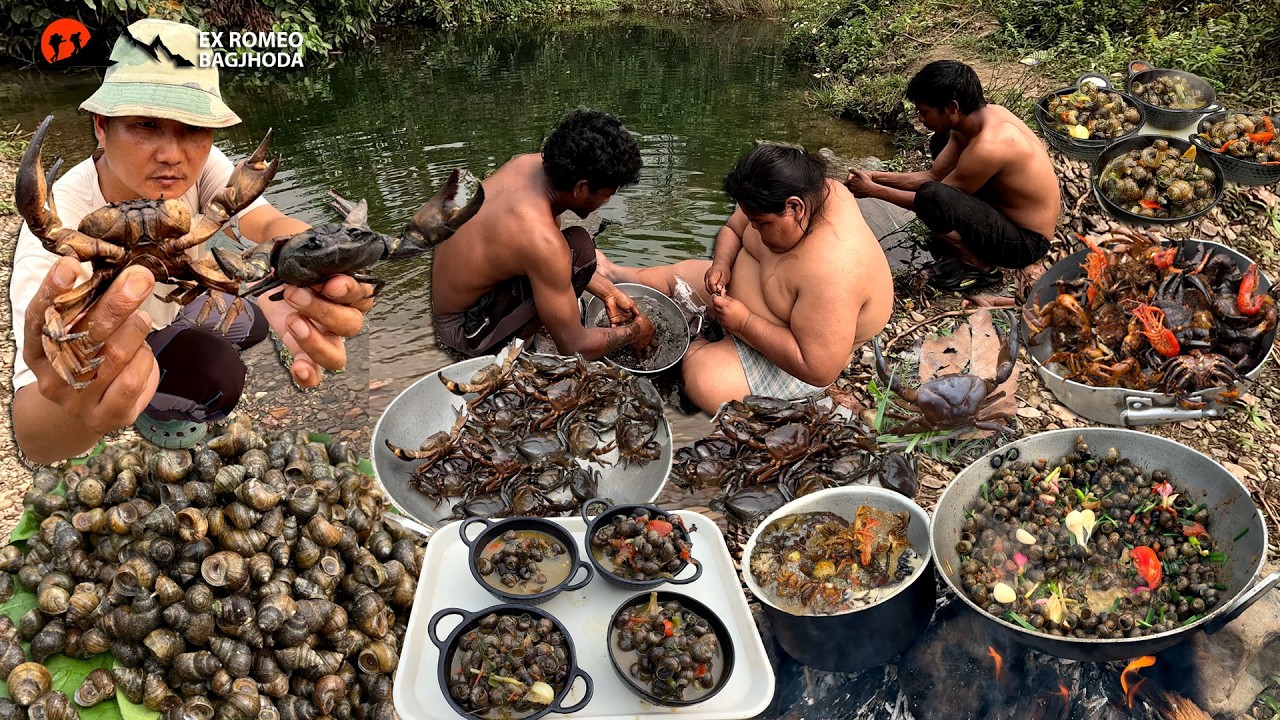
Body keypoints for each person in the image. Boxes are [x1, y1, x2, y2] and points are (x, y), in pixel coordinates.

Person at [10, 19, 374, 463]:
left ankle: (179, 351)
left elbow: (261, 220)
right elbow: (31, 432)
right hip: (119, 346)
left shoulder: (196, 164)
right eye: (146, 124)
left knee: (256, 321)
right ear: (101, 126)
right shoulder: (57, 226)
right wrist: (79, 412)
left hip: (179, 293)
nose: (172, 155)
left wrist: (318, 252)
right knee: (217, 374)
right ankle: (156, 409)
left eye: (193, 128)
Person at [595, 143, 894, 413]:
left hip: (787, 356)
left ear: (795, 207)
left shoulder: (835, 269)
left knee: (706, 382)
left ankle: (695, 343)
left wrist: (745, 323)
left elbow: (817, 368)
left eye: (762, 224)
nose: (756, 232)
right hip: (735, 299)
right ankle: (616, 273)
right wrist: (722, 264)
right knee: (679, 278)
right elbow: (732, 229)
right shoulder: (791, 192)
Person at [431, 108, 654, 360]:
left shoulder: (530, 165)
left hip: (458, 298)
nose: (607, 201)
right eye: (608, 194)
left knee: (577, 250)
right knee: (577, 250)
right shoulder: (539, 236)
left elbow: (543, 260)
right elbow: (574, 346)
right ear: (581, 188)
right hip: (464, 330)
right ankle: (504, 349)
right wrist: (635, 331)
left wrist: (608, 291)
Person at [845, 60, 1061, 292]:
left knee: (931, 198)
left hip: (1025, 243)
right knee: (941, 140)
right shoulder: (982, 117)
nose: (920, 118)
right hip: (1006, 212)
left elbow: (933, 198)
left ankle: (980, 267)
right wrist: (874, 176)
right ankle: (972, 241)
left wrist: (873, 191)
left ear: (952, 108)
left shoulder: (990, 146)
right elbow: (934, 175)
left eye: (924, 112)